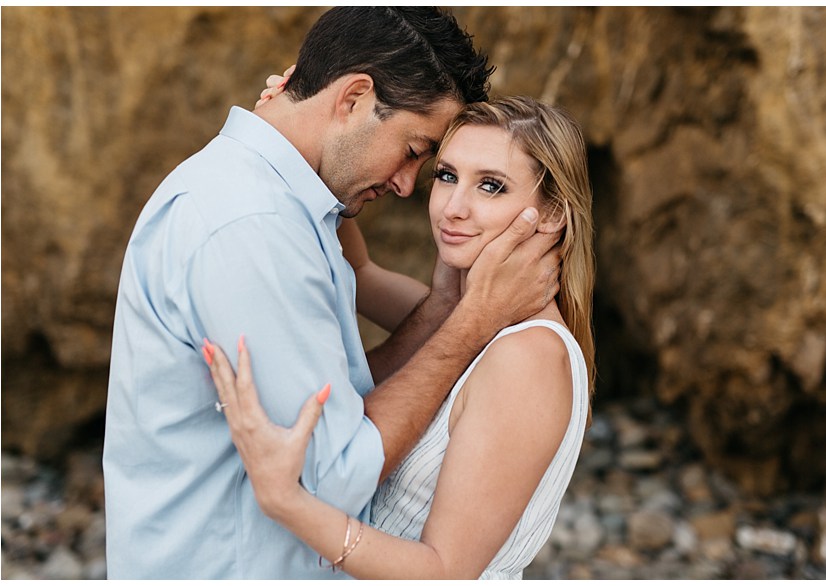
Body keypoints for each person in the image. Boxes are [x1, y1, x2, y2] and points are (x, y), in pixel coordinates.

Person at [103, 7, 563, 578]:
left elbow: (343, 404)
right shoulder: (253, 227)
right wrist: (473, 321)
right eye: (415, 151)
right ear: (354, 99)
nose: (406, 185)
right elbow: (336, 473)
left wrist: (447, 310)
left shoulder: (280, 206)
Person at [205, 95, 595, 579]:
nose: (453, 208)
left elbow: (445, 572)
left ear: (554, 212)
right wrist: (302, 114)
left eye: (491, 186)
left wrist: (289, 503)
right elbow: (359, 273)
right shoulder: (456, 314)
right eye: (446, 176)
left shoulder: (527, 357)